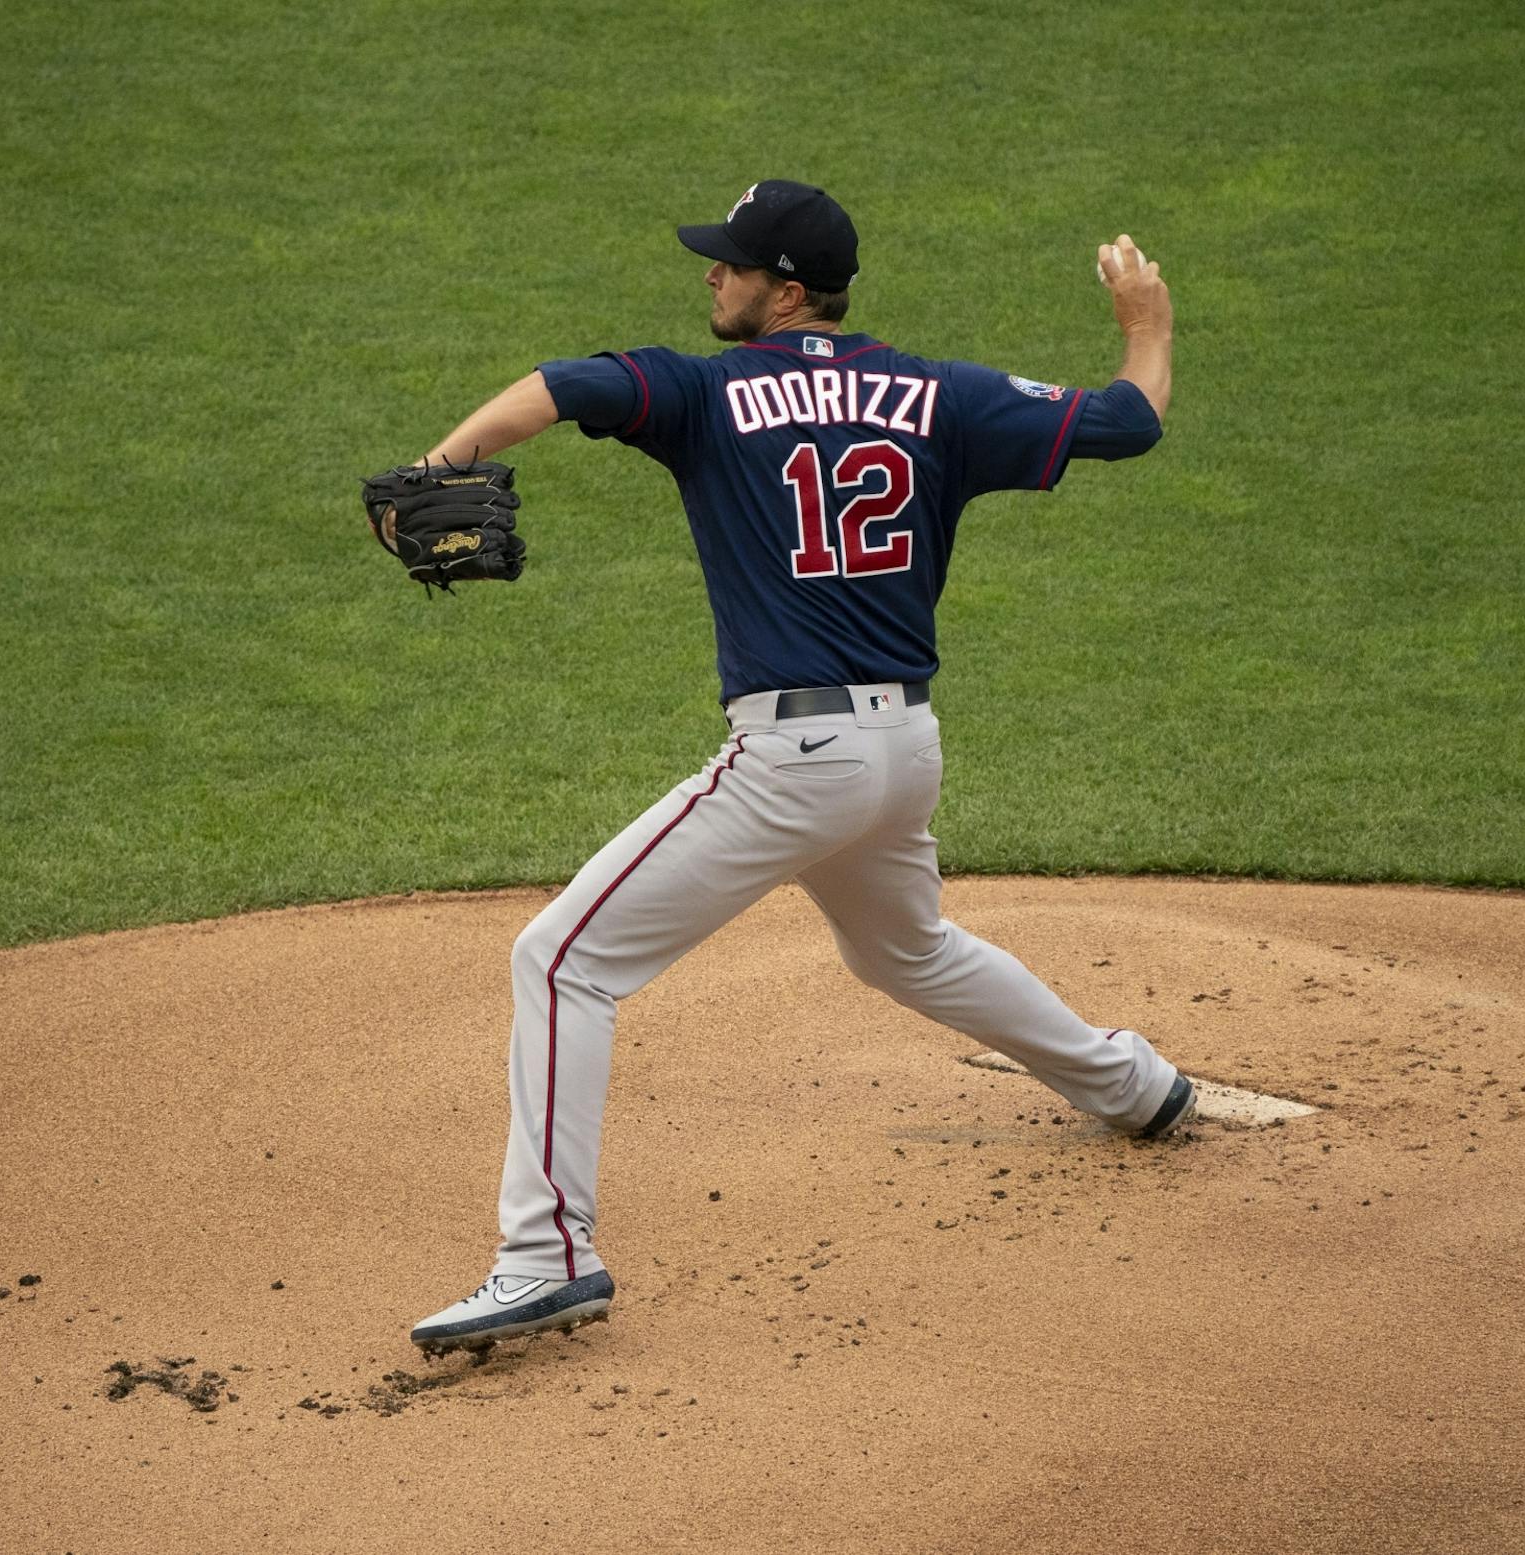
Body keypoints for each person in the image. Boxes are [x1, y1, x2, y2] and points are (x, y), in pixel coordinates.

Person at [405, 179, 1189, 1354]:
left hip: (796, 759)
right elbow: (1129, 421)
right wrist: (1146, 322)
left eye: (728, 264)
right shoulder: (940, 396)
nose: (710, 277)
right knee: (907, 948)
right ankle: (1131, 1085)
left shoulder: (706, 390)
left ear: (783, 289)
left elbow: (563, 388)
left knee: (562, 958)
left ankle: (545, 1255)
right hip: (902, 752)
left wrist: (438, 463)